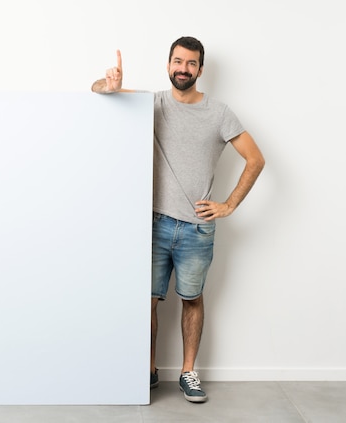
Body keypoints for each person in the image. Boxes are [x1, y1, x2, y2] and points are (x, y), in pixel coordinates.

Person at [92, 36, 265, 403]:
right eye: (178, 61)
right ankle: (149, 370)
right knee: (146, 301)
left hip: (197, 229)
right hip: (152, 225)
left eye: (191, 64)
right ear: (168, 64)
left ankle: (189, 372)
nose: (183, 69)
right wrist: (109, 85)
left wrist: (229, 205)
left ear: (200, 70)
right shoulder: (152, 104)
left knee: (193, 300)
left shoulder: (219, 113)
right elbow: (99, 90)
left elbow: (256, 159)